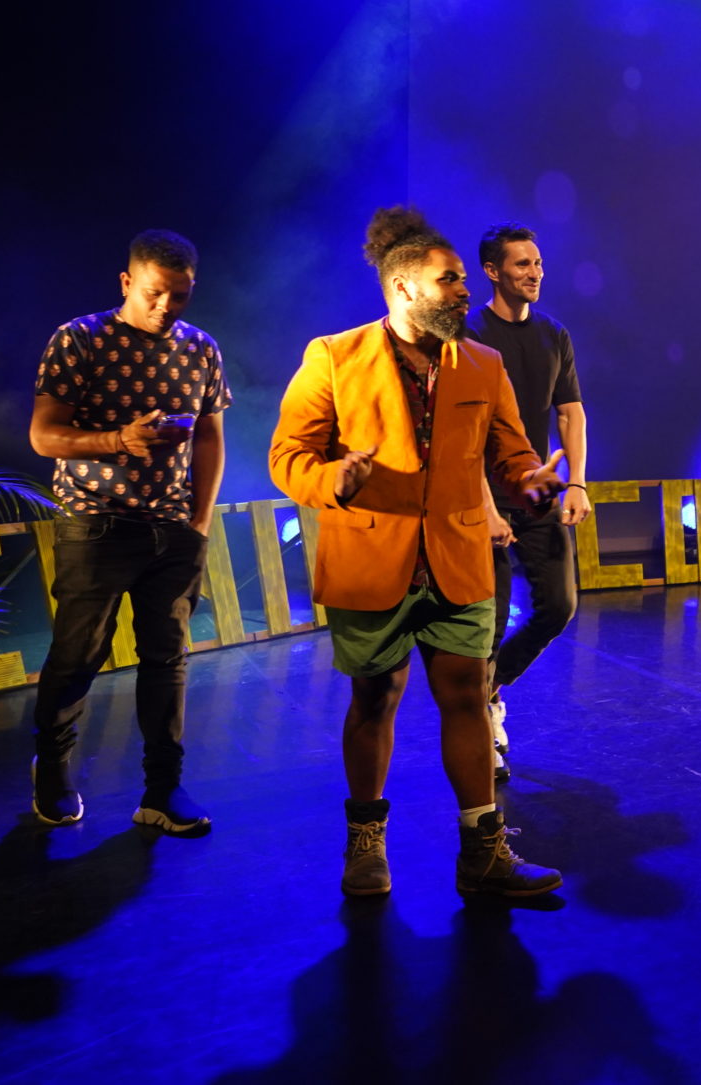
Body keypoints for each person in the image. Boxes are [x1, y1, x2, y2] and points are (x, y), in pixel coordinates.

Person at [270, 206, 565, 898]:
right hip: (373, 561)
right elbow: (288, 457)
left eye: (463, 279)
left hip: (457, 560)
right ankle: (365, 843)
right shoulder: (334, 357)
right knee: (375, 698)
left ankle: (483, 852)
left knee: (466, 695)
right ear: (403, 288)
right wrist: (334, 479)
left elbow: (512, 454)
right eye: (450, 280)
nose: (465, 292)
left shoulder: (483, 363)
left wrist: (530, 483)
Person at [27, 230, 230, 833]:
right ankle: (52, 766)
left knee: (167, 661)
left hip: (172, 530)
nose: (165, 306)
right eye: (153, 293)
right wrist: (118, 439)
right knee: (78, 656)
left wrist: (200, 519)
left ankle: (162, 790)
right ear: (126, 282)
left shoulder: (201, 349)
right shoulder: (80, 338)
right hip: (95, 523)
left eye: (179, 295)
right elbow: (43, 435)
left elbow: (210, 436)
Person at [463, 223, 589, 778]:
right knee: (487, 624)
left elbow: (570, 412)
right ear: (493, 272)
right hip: (482, 497)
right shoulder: (469, 332)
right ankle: (480, 728)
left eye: (537, 263)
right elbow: (463, 431)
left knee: (559, 607)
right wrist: (486, 508)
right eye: (522, 264)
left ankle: (490, 690)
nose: (535, 272)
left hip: (537, 492)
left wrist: (577, 481)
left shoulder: (553, 334)